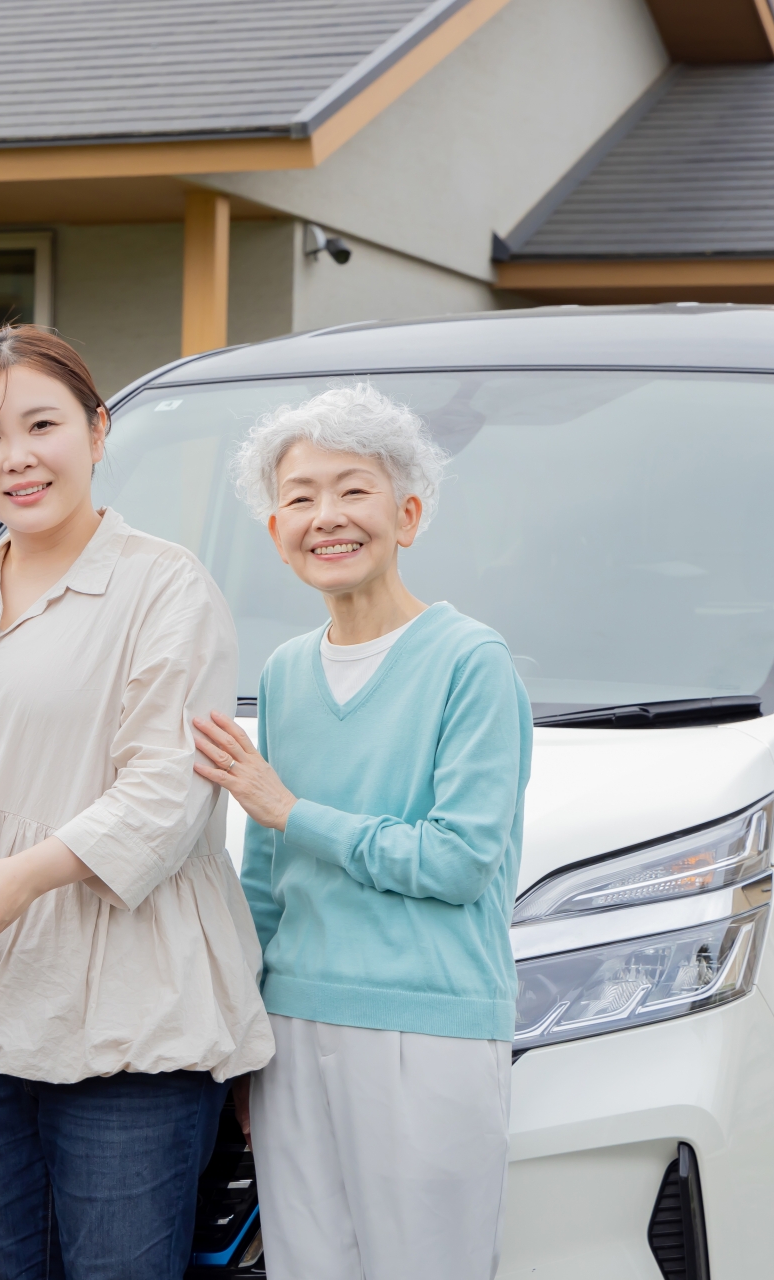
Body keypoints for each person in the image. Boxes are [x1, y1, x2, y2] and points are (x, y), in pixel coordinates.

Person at [0, 325, 274, 1279]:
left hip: (128, 1011)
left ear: (99, 431)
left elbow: (168, 790)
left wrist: (26, 876)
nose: (17, 458)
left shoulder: (165, 587)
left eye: (43, 425)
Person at [192, 383, 531, 1280]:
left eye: (353, 490)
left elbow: (459, 861)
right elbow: (267, 882)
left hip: (429, 1026)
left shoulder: (471, 662)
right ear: (277, 531)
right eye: (300, 497)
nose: (326, 517)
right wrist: (251, 1037)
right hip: (294, 1030)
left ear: (407, 515)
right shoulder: (286, 672)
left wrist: (290, 809)